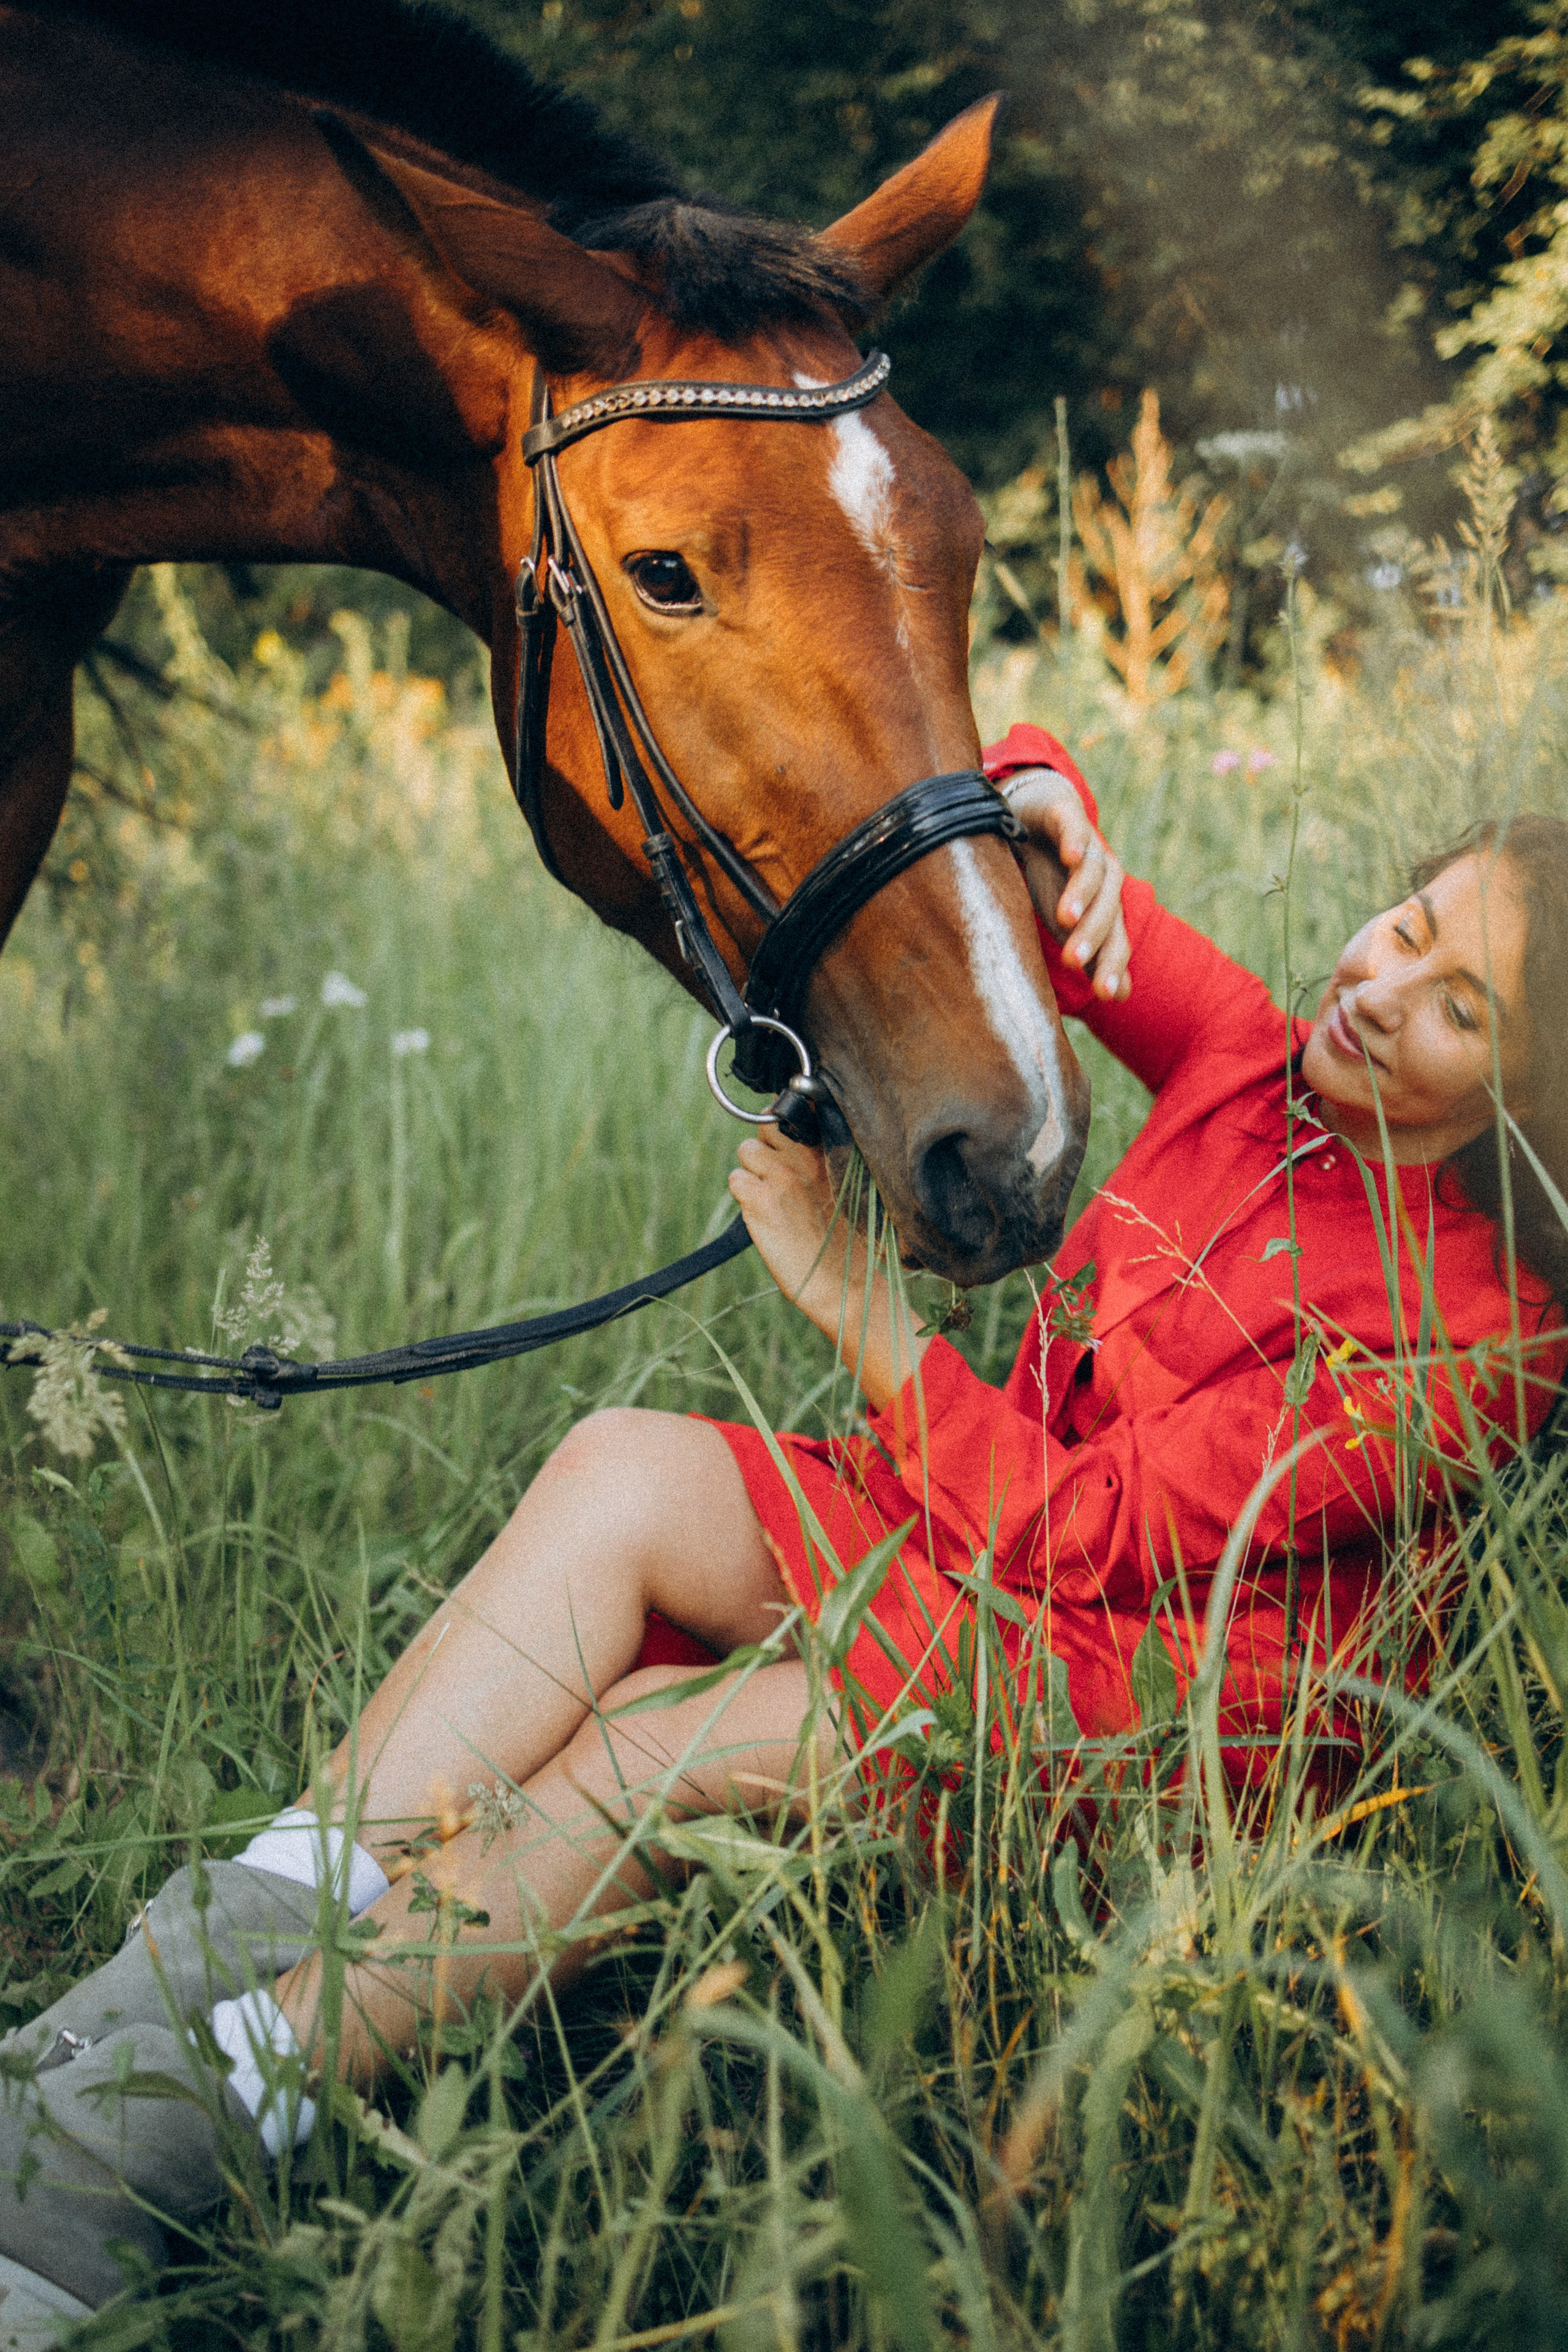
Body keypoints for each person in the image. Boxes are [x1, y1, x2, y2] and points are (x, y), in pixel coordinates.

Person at [3, 725, 1566, 2329]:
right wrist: (1042, 804)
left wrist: (858, 1310)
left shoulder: (1487, 1339)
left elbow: (1094, 1528)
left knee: (654, 1737)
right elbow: (979, 842)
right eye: (1409, 926)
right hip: (975, 1542)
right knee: (622, 1470)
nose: (1382, 988)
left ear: (1529, 1097)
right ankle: (189, 1972)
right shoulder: (1254, 1057)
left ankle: (169, 2138)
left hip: (1135, 1710)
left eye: (1462, 1008)